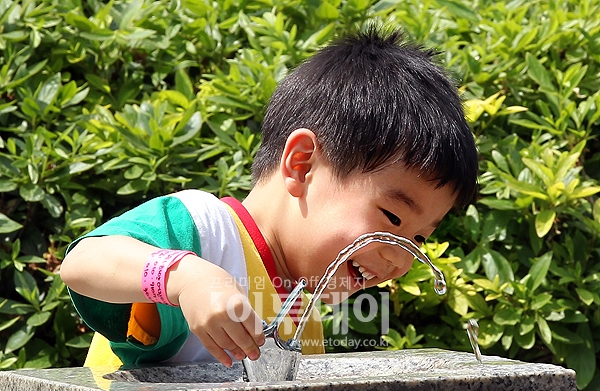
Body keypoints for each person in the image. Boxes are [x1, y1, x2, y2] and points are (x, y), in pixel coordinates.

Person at [60, 26, 479, 369]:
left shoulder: (303, 317)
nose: (400, 260)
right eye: (392, 218)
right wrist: (185, 279)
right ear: (302, 165)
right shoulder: (205, 234)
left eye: (418, 240)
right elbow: (83, 261)